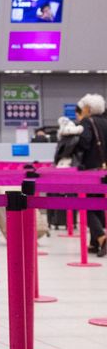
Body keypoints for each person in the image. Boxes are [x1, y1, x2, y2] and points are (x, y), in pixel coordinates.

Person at [75, 93, 107, 256]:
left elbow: (84, 143)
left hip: (91, 170)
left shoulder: (87, 122)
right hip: (104, 170)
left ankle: (101, 237)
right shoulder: (105, 122)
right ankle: (95, 244)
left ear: (88, 108)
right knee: (98, 204)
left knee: (86, 206)